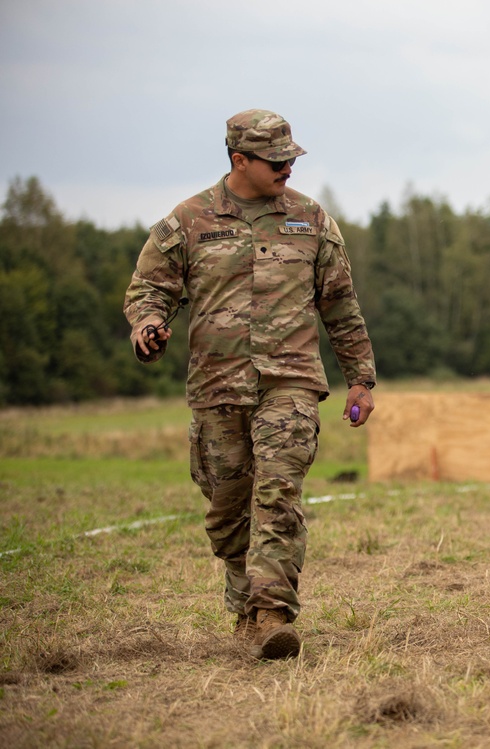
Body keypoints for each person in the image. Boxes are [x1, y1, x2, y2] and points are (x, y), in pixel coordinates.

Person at [123, 109, 377, 658]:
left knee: (278, 493)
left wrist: (360, 378)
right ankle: (245, 607)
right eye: (277, 160)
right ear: (240, 160)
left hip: (291, 383)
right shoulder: (187, 221)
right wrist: (148, 324)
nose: (288, 168)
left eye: (292, 158)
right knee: (227, 509)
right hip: (217, 387)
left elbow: (340, 306)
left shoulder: (311, 221)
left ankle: (271, 616)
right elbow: (149, 288)